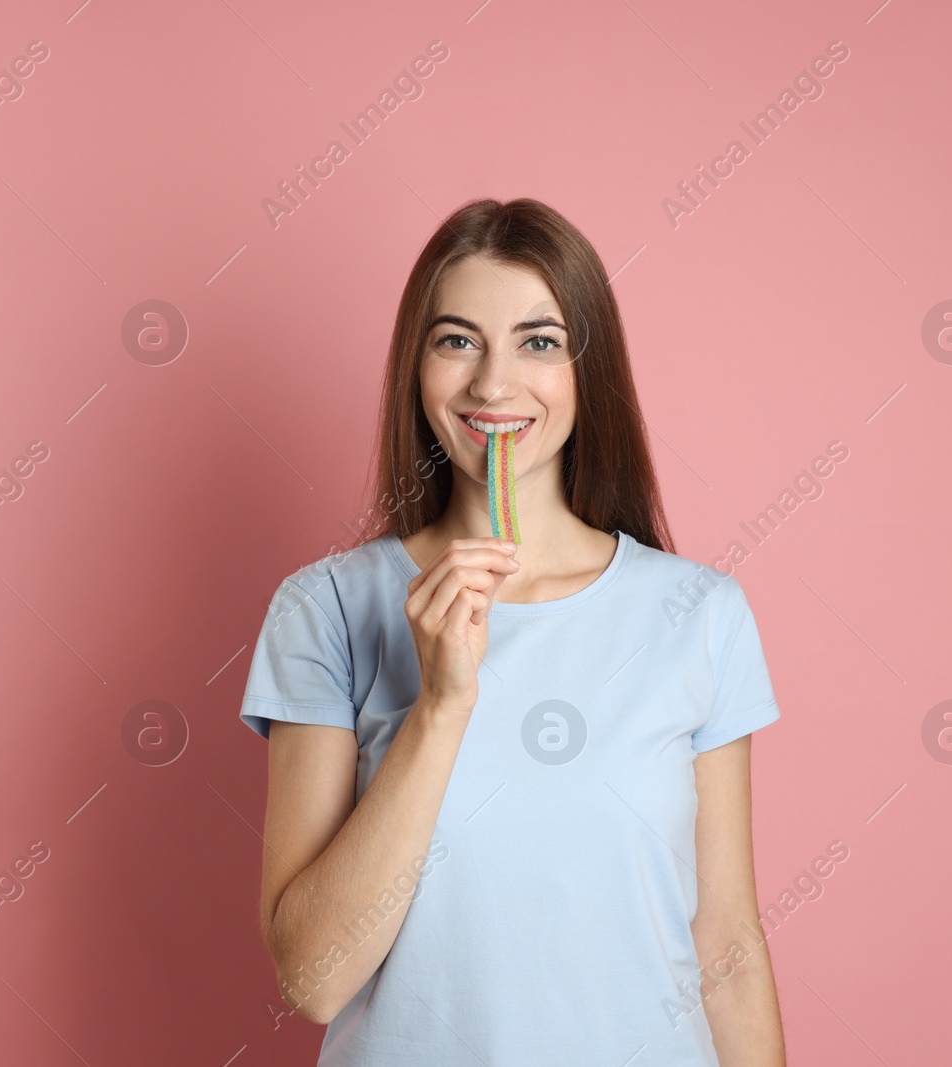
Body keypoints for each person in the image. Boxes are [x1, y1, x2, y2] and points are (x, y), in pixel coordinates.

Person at [238, 198, 786, 1065]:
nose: (494, 384)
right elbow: (314, 978)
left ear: (586, 369)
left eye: (538, 341)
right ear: (417, 369)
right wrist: (442, 707)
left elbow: (728, 949)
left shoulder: (700, 614)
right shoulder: (326, 609)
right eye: (457, 340)